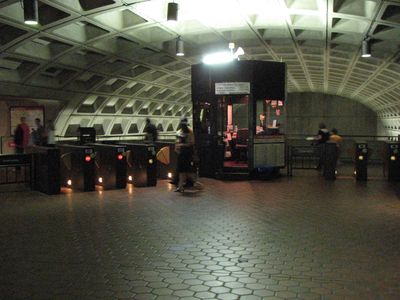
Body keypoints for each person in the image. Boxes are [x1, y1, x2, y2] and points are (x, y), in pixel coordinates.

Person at [174, 118, 201, 192]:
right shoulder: (183, 132)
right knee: (182, 171)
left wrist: (181, 145)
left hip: (187, 154)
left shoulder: (187, 132)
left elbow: (191, 143)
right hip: (183, 154)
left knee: (186, 171)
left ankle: (196, 182)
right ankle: (180, 186)